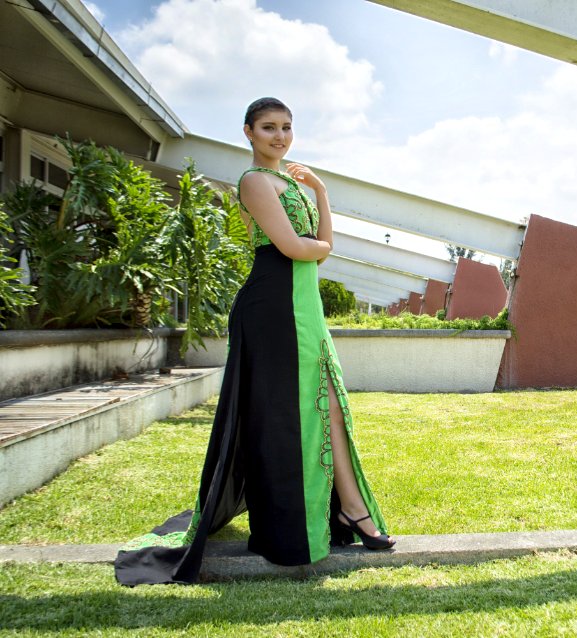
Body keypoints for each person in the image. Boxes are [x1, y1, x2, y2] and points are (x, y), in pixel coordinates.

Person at [114, 97, 393, 586]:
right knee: (291, 414)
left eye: (287, 127)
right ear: (248, 132)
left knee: (330, 405)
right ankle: (302, 526)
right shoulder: (253, 182)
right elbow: (294, 248)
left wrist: (322, 194)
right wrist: (319, 246)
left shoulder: (295, 184)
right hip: (274, 308)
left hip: (304, 306)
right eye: (268, 128)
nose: (280, 137)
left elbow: (320, 251)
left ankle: (351, 509)